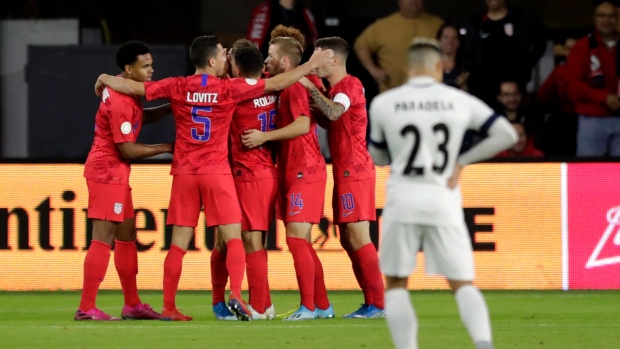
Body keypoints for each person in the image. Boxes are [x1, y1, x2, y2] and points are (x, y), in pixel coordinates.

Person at [94, 35, 334, 321]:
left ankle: (169, 307)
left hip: (184, 171)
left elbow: (136, 87)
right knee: (234, 239)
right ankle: (236, 296)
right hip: (217, 172)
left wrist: (106, 77)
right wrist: (311, 65)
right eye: (222, 54)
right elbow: (276, 83)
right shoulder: (228, 89)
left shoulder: (177, 85)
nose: (225, 58)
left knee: (178, 244)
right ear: (211, 61)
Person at [368, 38, 517, 349]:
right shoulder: (458, 100)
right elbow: (507, 134)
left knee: (395, 283)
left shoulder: (384, 103)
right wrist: (462, 161)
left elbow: (379, 158)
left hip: (402, 199)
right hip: (443, 200)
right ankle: (483, 343)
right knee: (461, 283)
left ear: (408, 69)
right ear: (439, 66)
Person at [241, 25, 334, 321]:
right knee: (302, 241)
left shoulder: (296, 86)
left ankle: (309, 306)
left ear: (284, 62)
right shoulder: (284, 84)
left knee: (296, 239)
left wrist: (263, 137)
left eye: (269, 55)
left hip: (304, 169)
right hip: (295, 170)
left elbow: (302, 124)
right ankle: (322, 305)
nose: (265, 60)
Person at [77, 41, 174, 321]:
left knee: (127, 235)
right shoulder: (120, 100)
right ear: (129, 69)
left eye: (151, 64)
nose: (151, 70)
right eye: (146, 66)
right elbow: (127, 149)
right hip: (107, 172)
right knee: (103, 238)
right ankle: (86, 308)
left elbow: (137, 118)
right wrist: (166, 147)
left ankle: (132, 305)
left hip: (117, 173)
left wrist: (168, 109)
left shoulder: (124, 87)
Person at [297, 36, 385, 319]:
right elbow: (330, 117)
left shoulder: (348, 85)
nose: (315, 62)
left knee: (359, 237)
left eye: (318, 56)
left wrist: (309, 86)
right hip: (345, 170)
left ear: (333, 59)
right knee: (348, 239)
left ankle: (380, 304)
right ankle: (371, 302)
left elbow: (335, 112)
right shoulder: (337, 88)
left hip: (355, 170)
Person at [209, 39, 277, 321]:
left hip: (249, 174)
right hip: (255, 172)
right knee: (226, 241)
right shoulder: (271, 85)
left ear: (236, 67)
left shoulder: (235, 91)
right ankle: (261, 304)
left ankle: (260, 307)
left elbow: (212, 85)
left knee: (249, 241)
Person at [463, 0, 546, 105]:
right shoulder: (476, 22)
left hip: (515, 88)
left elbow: (540, 44)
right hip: (484, 90)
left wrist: (526, 64)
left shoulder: (522, 18)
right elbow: (469, 53)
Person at [565, 1, 620, 156]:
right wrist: (604, 97)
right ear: (595, 19)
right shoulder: (582, 47)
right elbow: (573, 86)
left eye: (611, 16)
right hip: (592, 121)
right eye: (602, 16)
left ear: (617, 19)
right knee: (588, 174)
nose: (606, 20)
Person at [354, 0, 443, 92]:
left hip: (431, 91)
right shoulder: (382, 26)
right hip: (391, 91)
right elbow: (361, 45)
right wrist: (372, 69)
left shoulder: (438, 24)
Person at [247, 0, 318, 61]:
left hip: (299, 63)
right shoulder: (264, 11)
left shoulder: (303, 10)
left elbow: (312, 40)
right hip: (271, 65)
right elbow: (254, 43)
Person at [437, 23, 469, 90]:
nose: (450, 42)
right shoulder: (429, 66)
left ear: (458, 42)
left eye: (454, 38)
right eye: (446, 37)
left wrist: (463, 86)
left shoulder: (465, 67)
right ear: (439, 41)